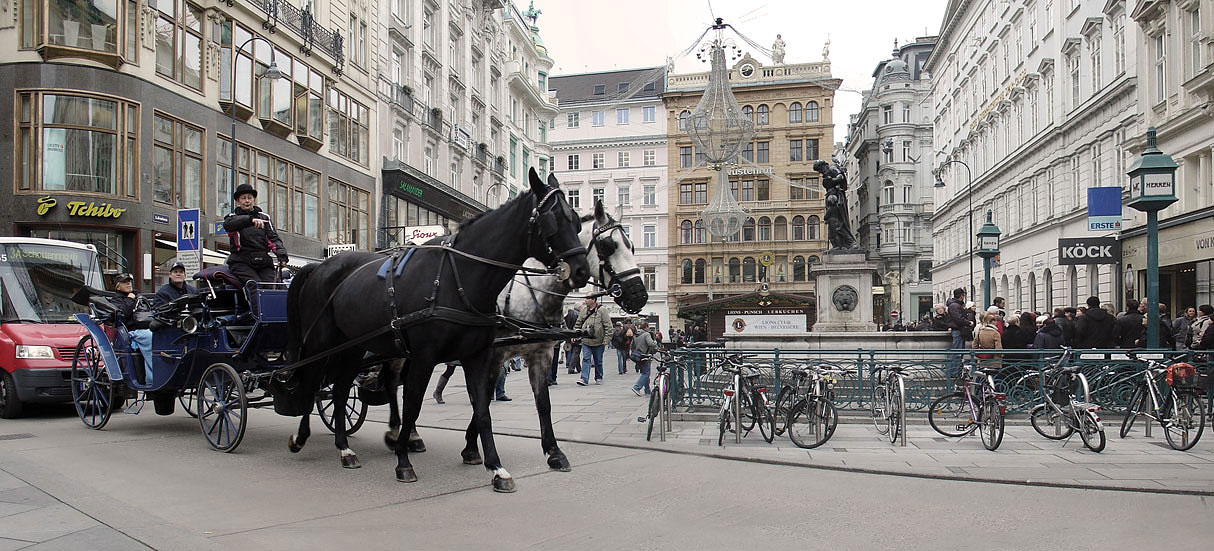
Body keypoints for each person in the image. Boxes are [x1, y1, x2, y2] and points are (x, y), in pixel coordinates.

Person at [223, 183, 288, 285]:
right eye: (243, 198)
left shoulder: (265, 218)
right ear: (237, 201)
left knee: (272, 286)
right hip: (241, 261)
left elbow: (273, 239)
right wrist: (250, 220)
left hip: (263, 261)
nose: (247, 201)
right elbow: (229, 225)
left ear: (254, 199)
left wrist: (282, 256)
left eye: (249, 198)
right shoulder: (231, 218)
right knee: (254, 285)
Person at [114, 274, 154, 385]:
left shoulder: (139, 296)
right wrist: (129, 300)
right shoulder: (117, 300)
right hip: (131, 331)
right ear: (118, 287)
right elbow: (122, 315)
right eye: (124, 282)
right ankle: (152, 377)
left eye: (129, 282)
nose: (128, 284)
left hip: (147, 327)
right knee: (150, 337)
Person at [575, 296, 612, 386]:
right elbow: (578, 323)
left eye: (588, 298)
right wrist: (575, 335)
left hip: (598, 341)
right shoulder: (583, 310)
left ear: (594, 300)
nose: (585, 300)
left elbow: (608, 325)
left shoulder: (602, 310)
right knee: (586, 359)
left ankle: (598, 377)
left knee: (598, 361)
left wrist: (607, 338)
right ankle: (584, 379)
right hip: (586, 340)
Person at [629, 321, 661, 396]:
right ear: (646, 327)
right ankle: (637, 387)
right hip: (645, 355)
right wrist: (656, 345)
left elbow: (631, 346)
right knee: (646, 373)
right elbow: (650, 343)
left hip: (637, 356)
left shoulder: (636, 335)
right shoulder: (646, 334)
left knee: (644, 372)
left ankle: (647, 390)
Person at [563, 307, 580, 374]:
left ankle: (577, 367)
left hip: (568, 335)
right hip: (574, 335)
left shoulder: (567, 315)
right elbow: (577, 325)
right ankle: (571, 368)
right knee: (575, 352)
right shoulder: (577, 314)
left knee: (571, 351)